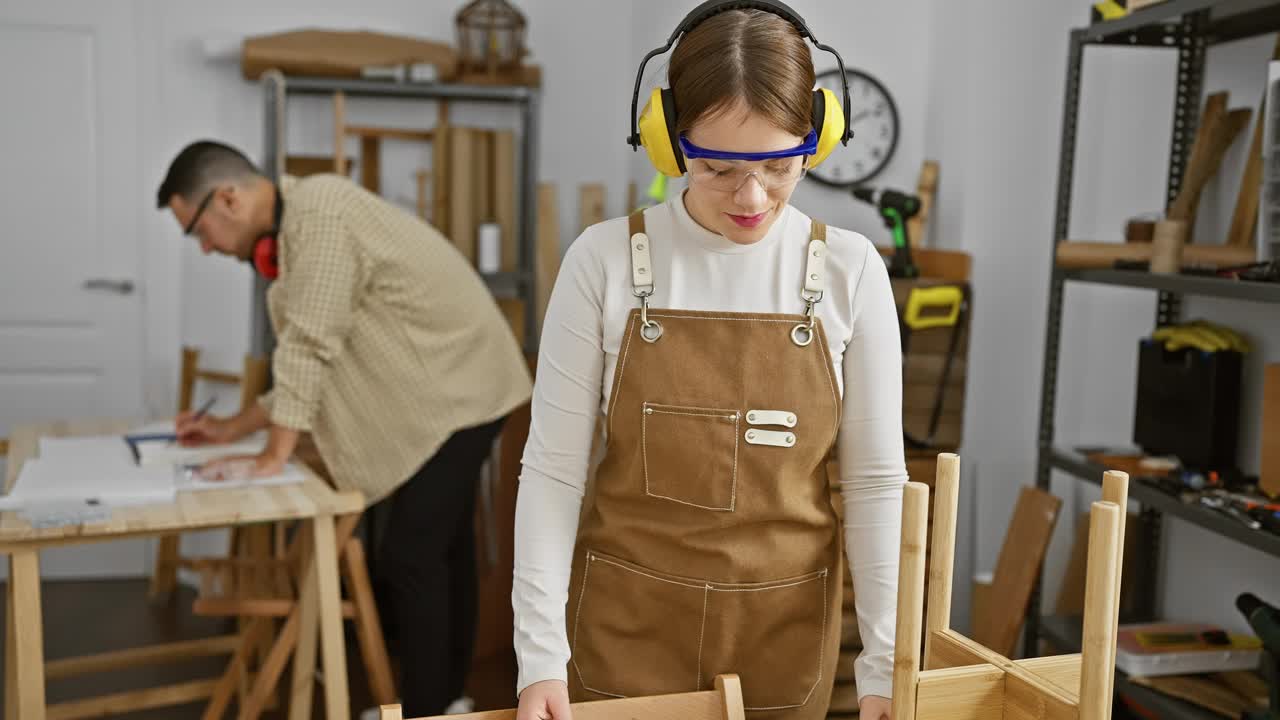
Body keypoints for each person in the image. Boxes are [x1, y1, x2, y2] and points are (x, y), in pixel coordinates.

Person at [511, 3, 907, 720]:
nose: (751, 197)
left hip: (783, 642)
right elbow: (553, 470)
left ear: (819, 136)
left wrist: (884, 663)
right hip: (625, 633)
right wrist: (537, 657)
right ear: (666, 142)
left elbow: (877, 484)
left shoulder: (850, 271)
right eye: (718, 167)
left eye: (781, 166)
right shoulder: (602, 262)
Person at [155, 141, 533, 716]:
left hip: (462, 385)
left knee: (412, 554)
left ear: (227, 198)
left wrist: (271, 457)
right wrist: (232, 429)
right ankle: (448, 702)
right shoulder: (301, 221)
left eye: (198, 231)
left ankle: (428, 707)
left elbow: (308, 347)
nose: (205, 248)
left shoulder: (319, 215)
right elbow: (308, 362)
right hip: (453, 384)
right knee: (440, 548)